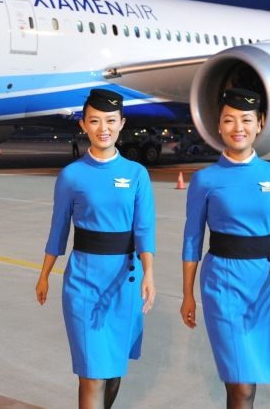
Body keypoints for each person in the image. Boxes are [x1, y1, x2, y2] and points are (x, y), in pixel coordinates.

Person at [181, 88, 270, 409]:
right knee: (241, 382)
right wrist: (187, 293)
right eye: (229, 120)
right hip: (222, 282)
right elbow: (192, 240)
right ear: (219, 127)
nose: (238, 127)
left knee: (252, 374)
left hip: (263, 284)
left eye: (246, 120)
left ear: (260, 124)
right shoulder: (205, 179)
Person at [36, 88, 156, 409]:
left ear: (122, 124)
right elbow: (58, 230)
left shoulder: (136, 174)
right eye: (95, 121)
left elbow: (144, 230)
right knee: (91, 374)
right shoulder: (71, 176)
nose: (103, 128)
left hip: (126, 281)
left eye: (111, 121)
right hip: (84, 282)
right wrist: (44, 275)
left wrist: (149, 274)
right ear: (83, 125)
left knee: (113, 371)